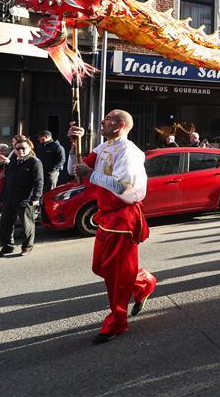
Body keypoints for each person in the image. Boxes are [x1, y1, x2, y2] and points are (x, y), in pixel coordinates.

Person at [68, 110, 155, 343]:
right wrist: (73, 146)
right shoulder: (102, 148)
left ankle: (117, 321)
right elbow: (74, 172)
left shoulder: (129, 152)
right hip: (105, 217)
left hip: (123, 219)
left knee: (116, 276)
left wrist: (91, 173)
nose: (102, 122)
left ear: (120, 125)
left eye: (107, 119)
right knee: (102, 267)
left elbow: (119, 186)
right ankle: (144, 281)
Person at [0, 136, 42, 257]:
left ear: (29, 148)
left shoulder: (34, 162)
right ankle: (7, 247)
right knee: (5, 224)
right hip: (9, 198)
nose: (21, 150)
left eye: (24, 148)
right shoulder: (12, 163)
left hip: (25, 199)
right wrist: (1, 198)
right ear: (14, 149)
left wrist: (36, 198)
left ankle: (27, 247)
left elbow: (39, 181)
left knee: (27, 225)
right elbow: (6, 181)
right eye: (18, 148)